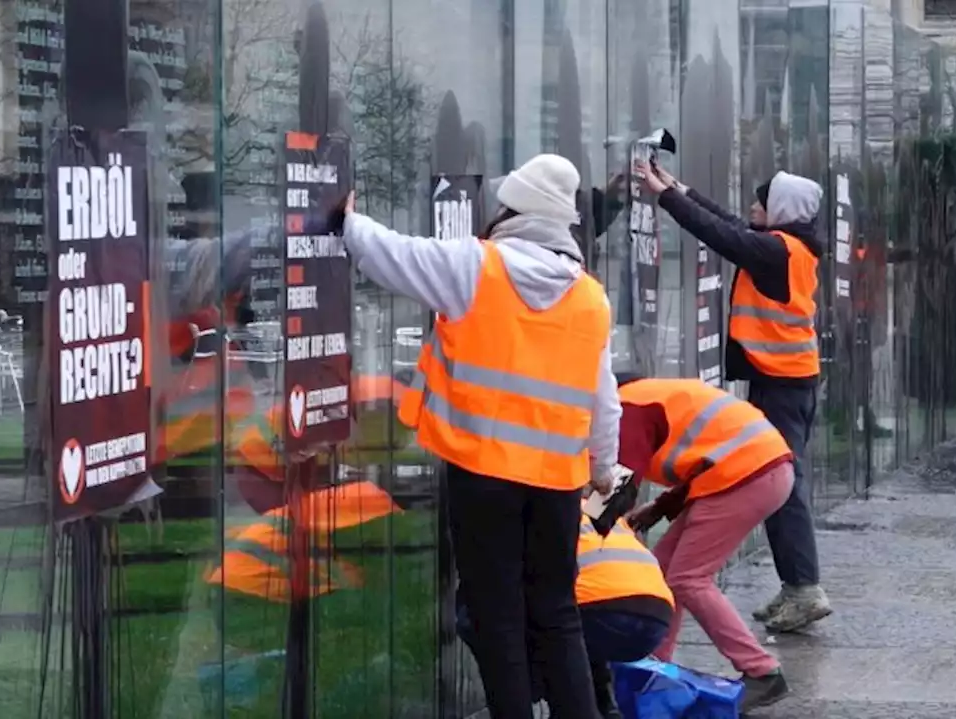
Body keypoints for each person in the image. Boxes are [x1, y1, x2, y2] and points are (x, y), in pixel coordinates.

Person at [337, 153, 622, 719]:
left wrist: (348, 223)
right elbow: (603, 399)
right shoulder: (590, 297)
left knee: (498, 617)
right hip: (558, 487)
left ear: (511, 209)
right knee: (557, 613)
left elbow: (396, 257)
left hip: (483, 475)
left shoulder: (477, 268)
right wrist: (604, 469)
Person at [637, 164, 832, 634]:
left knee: (783, 483)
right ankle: (796, 587)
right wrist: (682, 188)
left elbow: (721, 235)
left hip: (782, 384)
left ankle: (804, 589)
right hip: (788, 380)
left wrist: (665, 198)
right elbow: (731, 224)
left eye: (760, 203)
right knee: (782, 479)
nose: (752, 208)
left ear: (779, 211)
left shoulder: (777, 251)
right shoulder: (787, 246)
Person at [616, 374, 795, 712]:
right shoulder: (649, 395)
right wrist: (662, 507)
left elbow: (619, 484)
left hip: (746, 475)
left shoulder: (627, 407)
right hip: (754, 471)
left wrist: (590, 522)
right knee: (662, 570)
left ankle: (762, 672)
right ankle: (652, 664)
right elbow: (707, 458)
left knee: (687, 578)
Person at [456, 509, 673, 719]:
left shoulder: (530, 511)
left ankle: (537, 688)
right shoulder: (589, 506)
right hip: (657, 616)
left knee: (477, 613)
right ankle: (605, 707)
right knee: (585, 643)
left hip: (598, 607)